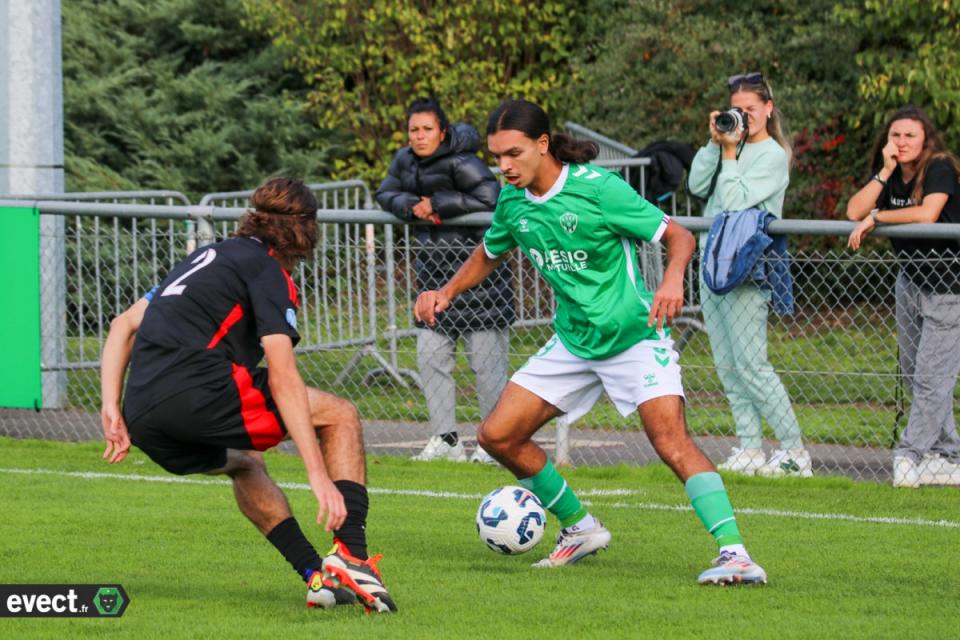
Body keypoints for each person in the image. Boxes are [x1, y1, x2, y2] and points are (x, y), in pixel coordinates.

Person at [416, 99, 767, 585]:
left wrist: (671, 280)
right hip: (574, 342)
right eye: (498, 156)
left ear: (543, 145)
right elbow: (491, 250)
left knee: (670, 441)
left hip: (634, 337)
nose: (505, 166)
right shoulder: (513, 201)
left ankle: (736, 554)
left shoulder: (598, 190)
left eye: (514, 154)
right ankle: (580, 528)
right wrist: (446, 292)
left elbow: (680, 237)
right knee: (497, 436)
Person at [99, 177, 397, 612]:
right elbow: (282, 375)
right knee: (340, 415)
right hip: (197, 389)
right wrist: (316, 474)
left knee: (245, 463)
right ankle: (352, 553)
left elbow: (122, 324)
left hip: (143, 413)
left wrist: (111, 407)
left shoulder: (206, 256)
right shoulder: (267, 269)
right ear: (305, 228)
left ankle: (317, 576)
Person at [377, 97, 513, 464]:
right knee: (430, 358)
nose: (419, 137)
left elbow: (492, 197)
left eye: (427, 130)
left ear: (443, 131)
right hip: (432, 281)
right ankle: (446, 440)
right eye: (413, 130)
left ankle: (493, 445)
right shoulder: (404, 160)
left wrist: (439, 203)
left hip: (479, 282)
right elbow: (385, 192)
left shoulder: (464, 161)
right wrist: (412, 206)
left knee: (487, 368)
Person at [688, 72, 811, 478]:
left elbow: (737, 200)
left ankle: (795, 453)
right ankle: (751, 447)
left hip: (747, 266)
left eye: (751, 110)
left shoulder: (773, 155)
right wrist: (714, 142)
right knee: (727, 364)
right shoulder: (727, 146)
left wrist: (729, 154)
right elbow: (695, 184)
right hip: (711, 263)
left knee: (753, 363)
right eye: (736, 111)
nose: (744, 117)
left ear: (769, 109)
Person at [845, 105, 960, 488]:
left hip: (949, 286)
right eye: (896, 135)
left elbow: (928, 214)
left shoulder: (939, 166)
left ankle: (909, 455)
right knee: (917, 376)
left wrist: (878, 218)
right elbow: (853, 210)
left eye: (910, 135)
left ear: (925, 138)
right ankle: (949, 456)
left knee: (932, 377)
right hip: (911, 280)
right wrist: (884, 173)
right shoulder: (892, 174)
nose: (902, 142)